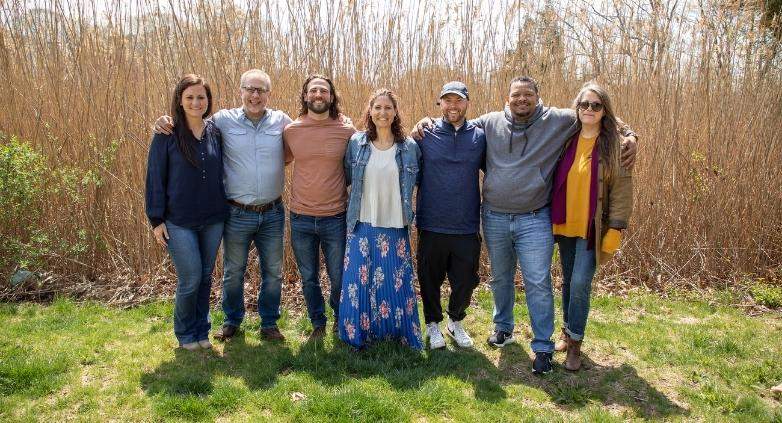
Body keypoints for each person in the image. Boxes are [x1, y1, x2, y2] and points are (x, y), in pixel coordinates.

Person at [413, 76, 637, 374]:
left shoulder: (558, 120)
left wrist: (630, 133)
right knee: (501, 278)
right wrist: (422, 122)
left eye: (528, 95)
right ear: (507, 99)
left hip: (535, 217)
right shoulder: (489, 123)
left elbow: (595, 113)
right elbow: (454, 119)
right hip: (494, 215)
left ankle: (543, 346)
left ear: (537, 96)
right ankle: (503, 327)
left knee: (537, 281)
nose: (522, 100)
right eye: (516, 95)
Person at [154, 69, 291, 342]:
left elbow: (305, 136)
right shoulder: (221, 122)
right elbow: (191, 121)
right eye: (250, 89)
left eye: (261, 90)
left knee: (273, 272)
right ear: (240, 91)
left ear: (269, 94)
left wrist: (340, 120)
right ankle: (231, 320)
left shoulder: (282, 121)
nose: (255, 95)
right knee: (232, 272)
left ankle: (269, 323)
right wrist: (163, 120)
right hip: (237, 211)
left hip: (273, 211)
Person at [550, 82, 634, 371]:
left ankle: (575, 344)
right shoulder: (566, 135)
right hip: (563, 223)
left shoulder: (615, 145)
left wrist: (617, 228)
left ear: (604, 110)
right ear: (577, 107)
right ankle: (566, 331)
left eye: (596, 105)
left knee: (581, 284)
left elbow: (622, 189)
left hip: (591, 228)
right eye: (584, 104)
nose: (589, 109)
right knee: (568, 281)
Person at [145, 74, 228, 351]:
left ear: (208, 101)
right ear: (180, 101)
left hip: (213, 219)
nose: (196, 102)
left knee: (205, 276)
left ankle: (202, 330)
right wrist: (156, 220)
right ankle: (184, 333)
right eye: (190, 97)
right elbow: (155, 179)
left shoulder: (215, 132)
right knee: (191, 276)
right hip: (178, 221)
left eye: (201, 97)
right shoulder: (166, 135)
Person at [338, 89, 423, 350]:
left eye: (388, 108)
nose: (382, 113)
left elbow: (416, 180)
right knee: (358, 280)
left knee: (394, 279)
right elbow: (348, 176)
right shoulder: (357, 143)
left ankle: (397, 333)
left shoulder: (408, 147)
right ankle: (358, 333)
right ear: (370, 111)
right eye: (377, 107)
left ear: (395, 112)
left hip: (395, 225)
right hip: (362, 222)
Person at [284, 75, 356, 340]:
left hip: (335, 216)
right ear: (305, 96)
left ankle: (340, 318)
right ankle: (317, 322)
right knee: (309, 277)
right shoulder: (291, 130)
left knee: (338, 276)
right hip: (301, 216)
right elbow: (279, 159)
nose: (318, 94)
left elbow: (360, 159)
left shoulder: (346, 129)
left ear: (331, 97)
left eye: (323, 91)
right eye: (313, 90)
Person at [415, 82, 486, 350]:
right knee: (429, 279)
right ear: (439, 103)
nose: (453, 105)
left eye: (458, 100)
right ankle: (433, 325)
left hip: (466, 225)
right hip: (432, 222)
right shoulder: (424, 134)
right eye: (447, 100)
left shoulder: (479, 136)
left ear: (467, 103)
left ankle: (455, 321)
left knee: (466, 280)